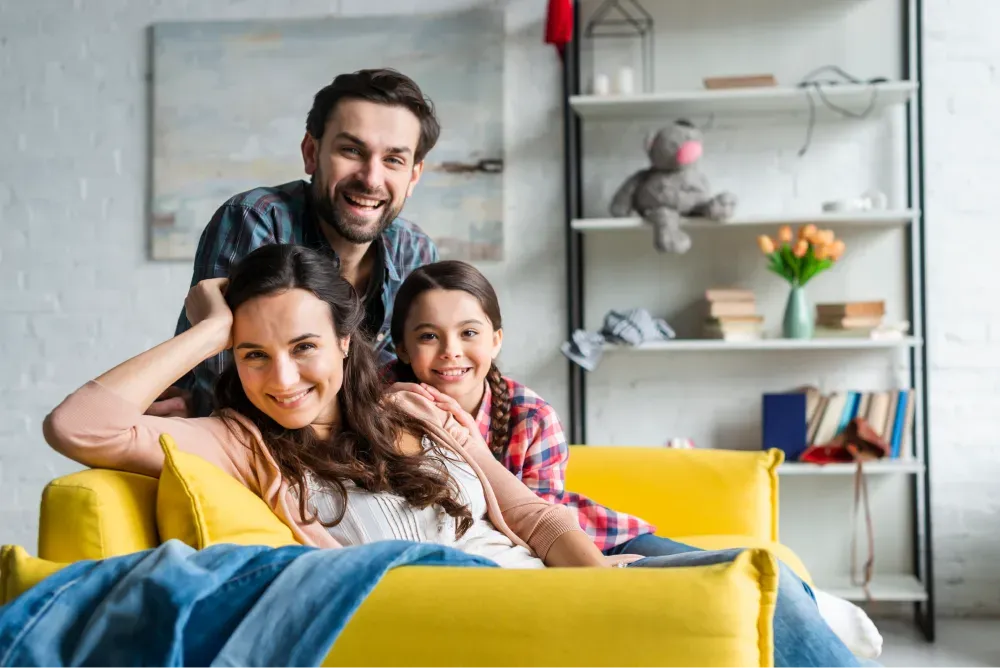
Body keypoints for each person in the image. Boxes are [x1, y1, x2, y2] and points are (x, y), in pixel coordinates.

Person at [43, 244, 869, 667]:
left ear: (344, 340)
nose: (282, 377)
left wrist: (599, 583)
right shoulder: (241, 442)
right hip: (482, 610)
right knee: (775, 604)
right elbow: (79, 424)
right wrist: (213, 329)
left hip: (556, 588)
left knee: (769, 580)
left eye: (303, 347)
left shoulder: (410, 404)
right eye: (256, 356)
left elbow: (531, 514)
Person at [384, 259, 883, 662]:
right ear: (402, 347)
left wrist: (606, 559)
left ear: (496, 339)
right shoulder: (390, 414)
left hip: (598, 535)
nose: (451, 351)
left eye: (469, 333)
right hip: (554, 558)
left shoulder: (528, 413)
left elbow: (543, 516)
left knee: (757, 572)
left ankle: (823, 616)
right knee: (735, 581)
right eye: (428, 336)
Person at [154, 68, 440, 420]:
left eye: (393, 159)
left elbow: (420, 378)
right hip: (240, 442)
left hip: (357, 452)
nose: (371, 179)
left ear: (413, 175)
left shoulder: (416, 251)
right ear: (311, 152)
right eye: (351, 150)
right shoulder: (254, 218)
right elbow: (238, 381)